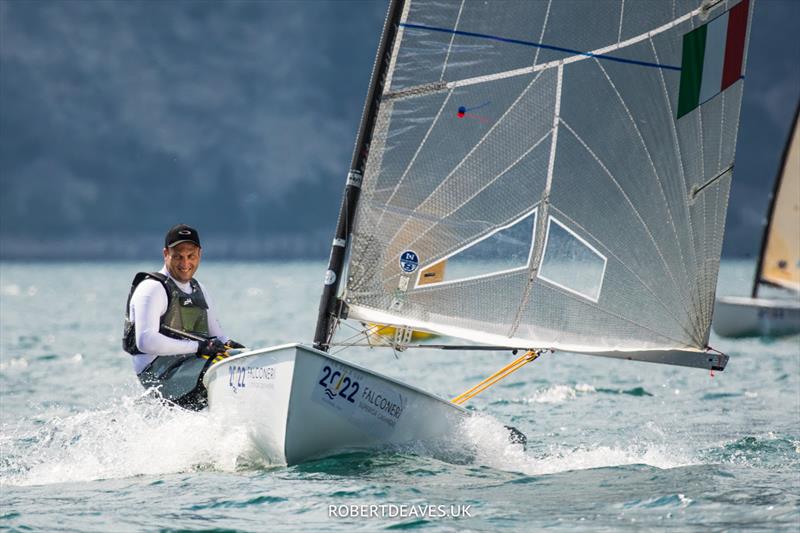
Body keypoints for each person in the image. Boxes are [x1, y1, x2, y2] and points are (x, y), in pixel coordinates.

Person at [122, 224, 244, 410]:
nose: (185, 263)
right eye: (178, 256)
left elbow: (219, 337)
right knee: (222, 368)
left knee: (243, 362)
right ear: (166, 254)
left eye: (191, 256)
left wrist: (244, 353)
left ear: (199, 254)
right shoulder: (152, 288)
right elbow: (145, 341)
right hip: (160, 376)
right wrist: (198, 346)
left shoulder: (199, 289)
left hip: (192, 365)